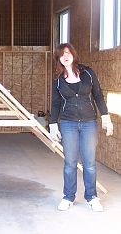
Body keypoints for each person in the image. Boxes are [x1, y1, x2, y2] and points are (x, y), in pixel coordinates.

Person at [49, 43, 113, 212]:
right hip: (68, 123)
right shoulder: (57, 80)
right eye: (62, 54)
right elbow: (55, 104)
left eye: (68, 52)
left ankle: (91, 197)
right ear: (58, 59)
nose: (65, 56)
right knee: (70, 163)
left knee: (89, 162)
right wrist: (53, 124)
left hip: (88, 123)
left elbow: (98, 95)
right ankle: (68, 197)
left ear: (74, 55)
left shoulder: (88, 74)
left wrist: (105, 116)